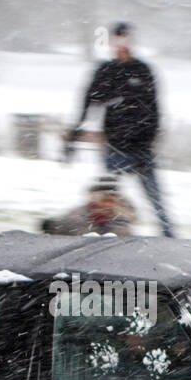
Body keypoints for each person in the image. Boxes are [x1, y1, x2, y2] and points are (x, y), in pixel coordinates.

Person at [68, 22, 173, 237]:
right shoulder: (106, 70)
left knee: (156, 198)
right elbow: (90, 100)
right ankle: (106, 234)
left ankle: (169, 235)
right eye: (116, 42)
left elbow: (154, 109)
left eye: (125, 41)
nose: (121, 46)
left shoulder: (143, 70)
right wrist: (76, 129)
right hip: (115, 146)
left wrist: (148, 141)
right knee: (108, 198)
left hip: (142, 147)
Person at [41, 175, 137, 236]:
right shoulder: (76, 218)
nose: (108, 205)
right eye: (104, 200)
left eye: (112, 201)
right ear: (93, 201)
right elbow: (60, 230)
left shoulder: (121, 220)